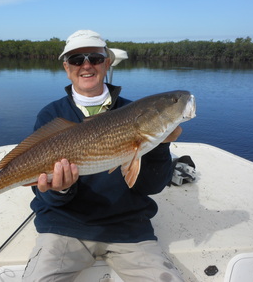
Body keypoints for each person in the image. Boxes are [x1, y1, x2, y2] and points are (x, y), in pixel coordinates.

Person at [22, 30, 184, 282]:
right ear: (67, 68)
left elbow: (151, 186)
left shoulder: (137, 113)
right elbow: (44, 195)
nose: (86, 65)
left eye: (95, 58)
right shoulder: (52, 115)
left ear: (107, 63)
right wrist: (59, 190)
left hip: (129, 230)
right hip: (65, 227)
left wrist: (160, 144)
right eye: (76, 60)